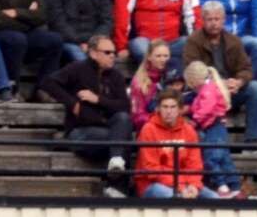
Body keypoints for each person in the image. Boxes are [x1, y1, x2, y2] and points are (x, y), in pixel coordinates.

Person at [39, 33, 129, 196]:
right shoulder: (77, 68)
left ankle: (116, 165)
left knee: (122, 120)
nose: (112, 56)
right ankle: (116, 186)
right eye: (107, 52)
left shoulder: (116, 76)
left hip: (107, 127)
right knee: (121, 140)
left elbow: (124, 106)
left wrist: (98, 99)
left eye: (114, 53)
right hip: (81, 130)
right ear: (93, 53)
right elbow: (48, 82)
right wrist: (72, 103)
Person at [183, 0, 257, 147]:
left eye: (217, 19)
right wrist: (218, 84)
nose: (213, 23)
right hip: (204, 94)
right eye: (209, 19)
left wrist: (238, 82)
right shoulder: (193, 41)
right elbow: (192, 71)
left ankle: (253, 141)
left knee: (255, 88)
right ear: (203, 20)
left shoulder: (234, 41)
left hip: (231, 91)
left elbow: (246, 68)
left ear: (223, 19)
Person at [133, 90, 208, 198]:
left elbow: (194, 164)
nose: (169, 111)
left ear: (180, 110)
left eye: (173, 107)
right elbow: (152, 170)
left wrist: (194, 185)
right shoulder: (148, 129)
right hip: (152, 184)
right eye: (165, 107)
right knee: (177, 198)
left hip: (185, 183)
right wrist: (180, 187)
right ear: (158, 109)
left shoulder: (189, 130)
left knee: (215, 198)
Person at [181, 61, 237, 196]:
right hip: (215, 127)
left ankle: (222, 186)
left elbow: (205, 109)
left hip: (214, 127)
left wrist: (194, 121)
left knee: (211, 158)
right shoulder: (206, 89)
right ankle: (234, 186)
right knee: (223, 158)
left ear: (193, 80)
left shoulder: (208, 90)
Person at [126, 35, 171, 129]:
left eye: (166, 56)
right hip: (150, 127)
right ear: (149, 57)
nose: (163, 59)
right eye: (158, 56)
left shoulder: (173, 77)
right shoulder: (139, 82)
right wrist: (160, 120)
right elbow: (137, 117)